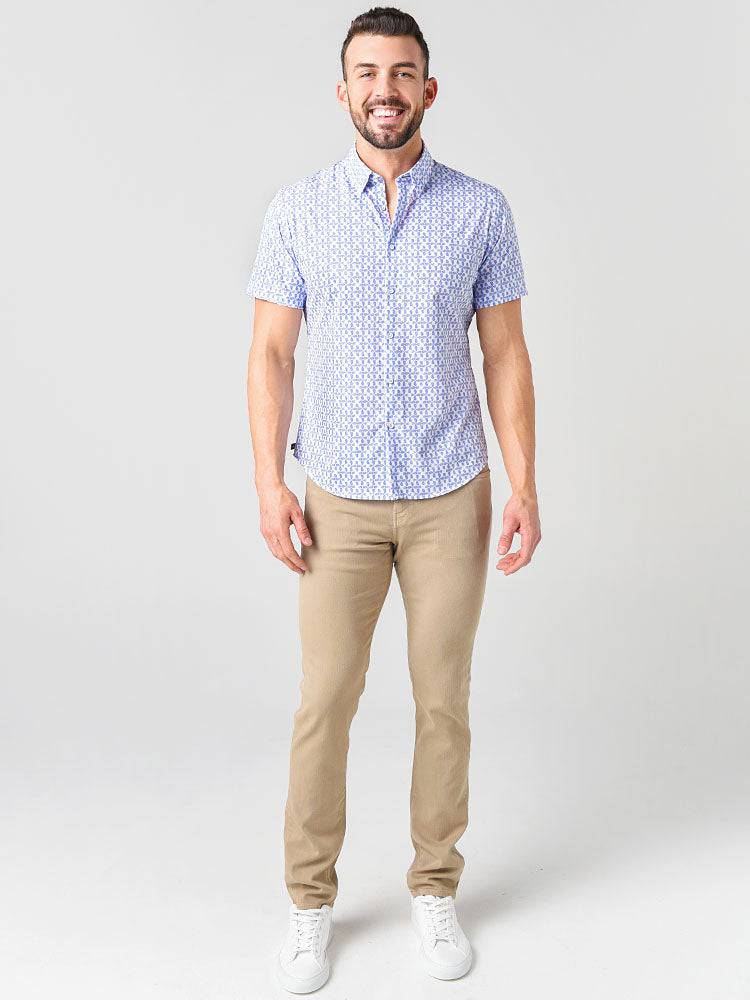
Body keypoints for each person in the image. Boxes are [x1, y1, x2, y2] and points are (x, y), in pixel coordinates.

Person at [245, 6, 541, 992]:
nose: (385, 89)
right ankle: (309, 904)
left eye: (403, 72)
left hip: (452, 493)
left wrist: (525, 485)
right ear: (344, 91)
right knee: (325, 699)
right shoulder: (296, 211)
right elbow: (271, 354)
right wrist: (269, 485)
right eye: (368, 73)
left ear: (428, 89)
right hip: (337, 499)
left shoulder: (480, 211)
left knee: (443, 700)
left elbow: (506, 354)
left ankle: (434, 885)